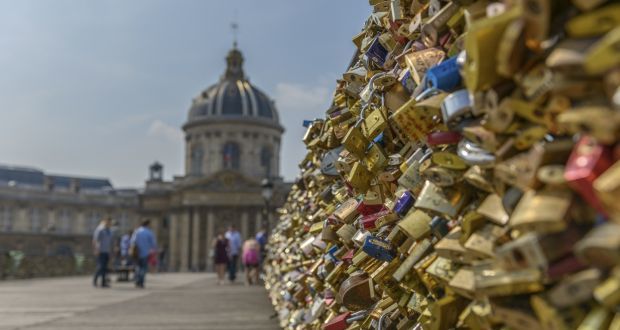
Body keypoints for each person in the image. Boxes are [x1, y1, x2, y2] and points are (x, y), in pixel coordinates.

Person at [130, 220, 157, 289]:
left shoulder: (137, 231)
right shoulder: (149, 232)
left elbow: (132, 241)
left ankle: (137, 280)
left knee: (138, 267)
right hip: (145, 253)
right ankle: (141, 282)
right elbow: (153, 244)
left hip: (137, 253)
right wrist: (153, 251)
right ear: (147, 225)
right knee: (143, 268)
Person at [92, 218, 113, 288]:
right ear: (105, 222)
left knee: (105, 268)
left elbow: (109, 242)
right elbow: (95, 240)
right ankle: (95, 280)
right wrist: (96, 250)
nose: (110, 224)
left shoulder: (109, 231)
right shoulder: (100, 230)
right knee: (100, 267)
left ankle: (103, 282)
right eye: (108, 222)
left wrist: (110, 251)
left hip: (106, 251)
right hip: (100, 250)